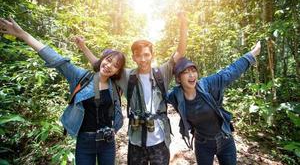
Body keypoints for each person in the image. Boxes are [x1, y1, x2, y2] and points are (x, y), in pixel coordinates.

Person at [0, 17, 126, 165]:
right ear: (102, 59)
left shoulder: (115, 86)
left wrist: (85, 48)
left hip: (107, 142)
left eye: (115, 65)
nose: (109, 65)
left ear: (118, 71)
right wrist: (24, 35)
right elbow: (56, 58)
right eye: (108, 60)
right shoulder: (81, 77)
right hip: (85, 141)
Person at [75, 12, 188, 165]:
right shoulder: (127, 76)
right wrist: (83, 47)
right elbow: (100, 64)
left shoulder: (162, 72)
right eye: (138, 55)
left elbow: (180, 52)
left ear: (152, 55)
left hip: (159, 140)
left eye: (146, 55)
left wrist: (183, 24)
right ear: (134, 57)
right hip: (136, 142)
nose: (143, 59)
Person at [167, 41, 261, 165]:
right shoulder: (175, 95)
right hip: (203, 144)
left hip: (225, 140)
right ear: (178, 78)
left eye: (193, 70)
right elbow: (156, 94)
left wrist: (251, 54)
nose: (191, 75)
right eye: (186, 72)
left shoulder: (207, 84)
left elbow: (229, 73)